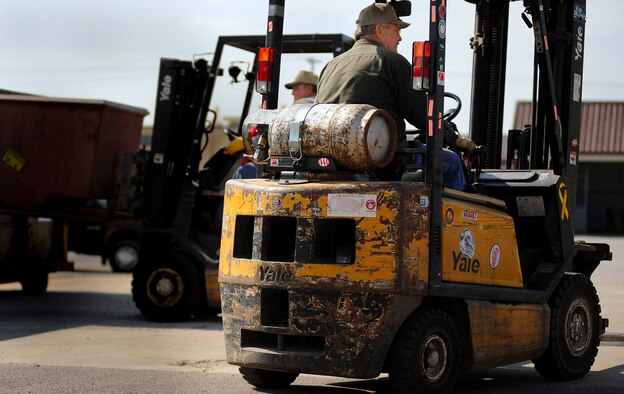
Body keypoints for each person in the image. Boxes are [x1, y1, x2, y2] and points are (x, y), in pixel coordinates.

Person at [316, 2, 476, 190]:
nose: (399, 38)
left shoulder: (331, 65)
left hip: (334, 160)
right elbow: (423, 115)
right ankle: (451, 219)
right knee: (452, 161)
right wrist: (455, 139)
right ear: (379, 30)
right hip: (384, 159)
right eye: (396, 30)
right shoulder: (391, 61)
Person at [224, 70, 319, 178]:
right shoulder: (320, 110)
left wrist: (249, 141)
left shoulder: (299, 110)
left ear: (309, 88)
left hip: (290, 165)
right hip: (305, 165)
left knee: (243, 172)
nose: (292, 93)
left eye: (296, 88)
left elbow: (278, 134)